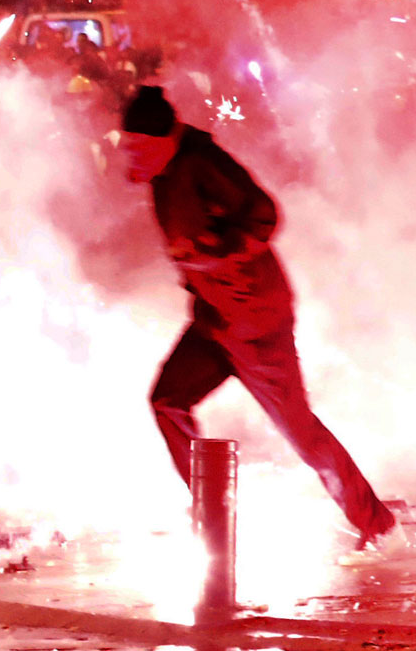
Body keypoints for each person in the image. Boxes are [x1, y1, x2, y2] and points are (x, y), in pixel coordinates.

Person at [117, 85, 395, 548]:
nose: (134, 156)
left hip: (256, 324)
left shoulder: (203, 163)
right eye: (128, 145)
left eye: (142, 147)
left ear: (168, 137)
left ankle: (377, 524)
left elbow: (265, 216)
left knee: (300, 432)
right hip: (214, 319)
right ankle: (211, 513)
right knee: (167, 400)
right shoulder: (162, 172)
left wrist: (218, 255)